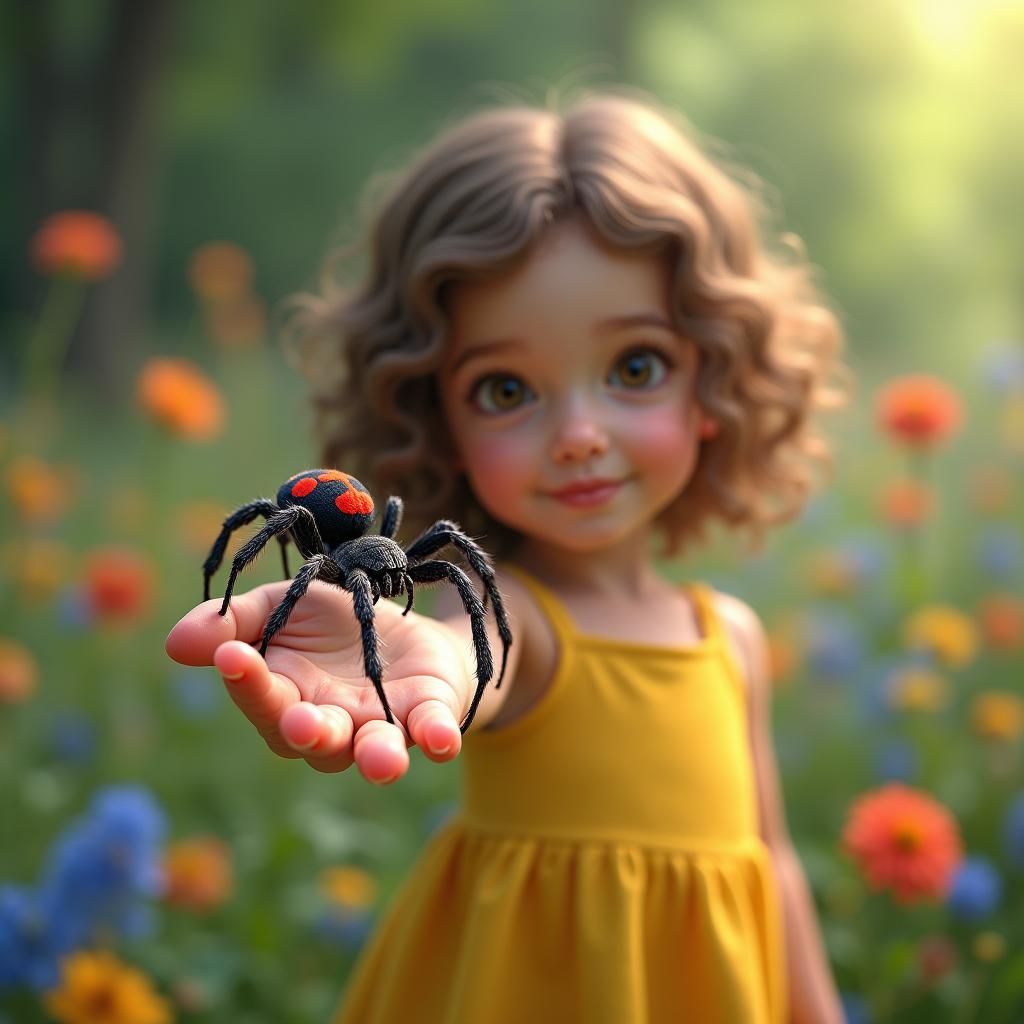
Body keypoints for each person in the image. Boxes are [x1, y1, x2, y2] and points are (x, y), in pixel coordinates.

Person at [167, 90, 847, 1023]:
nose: (576, 434)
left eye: (635, 367)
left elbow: (772, 863)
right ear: (433, 416)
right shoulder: (525, 617)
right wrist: (422, 664)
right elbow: (472, 646)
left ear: (715, 380)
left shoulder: (731, 638)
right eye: (505, 388)